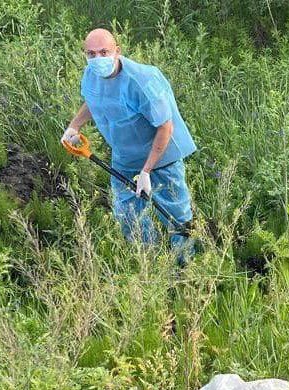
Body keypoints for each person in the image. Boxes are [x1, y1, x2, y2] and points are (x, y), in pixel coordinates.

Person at [62, 29, 196, 252]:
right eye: (91, 54)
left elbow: (165, 126)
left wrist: (146, 172)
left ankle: (187, 268)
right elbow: (93, 101)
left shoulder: (142, 80)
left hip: (162, 158)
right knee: (128, 216)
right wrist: (74, 126)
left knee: (176, 216)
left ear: (117, 51)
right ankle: (148, 262)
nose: (97, 59)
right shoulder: (91, 75)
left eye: (104, 52)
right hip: (125, 158)